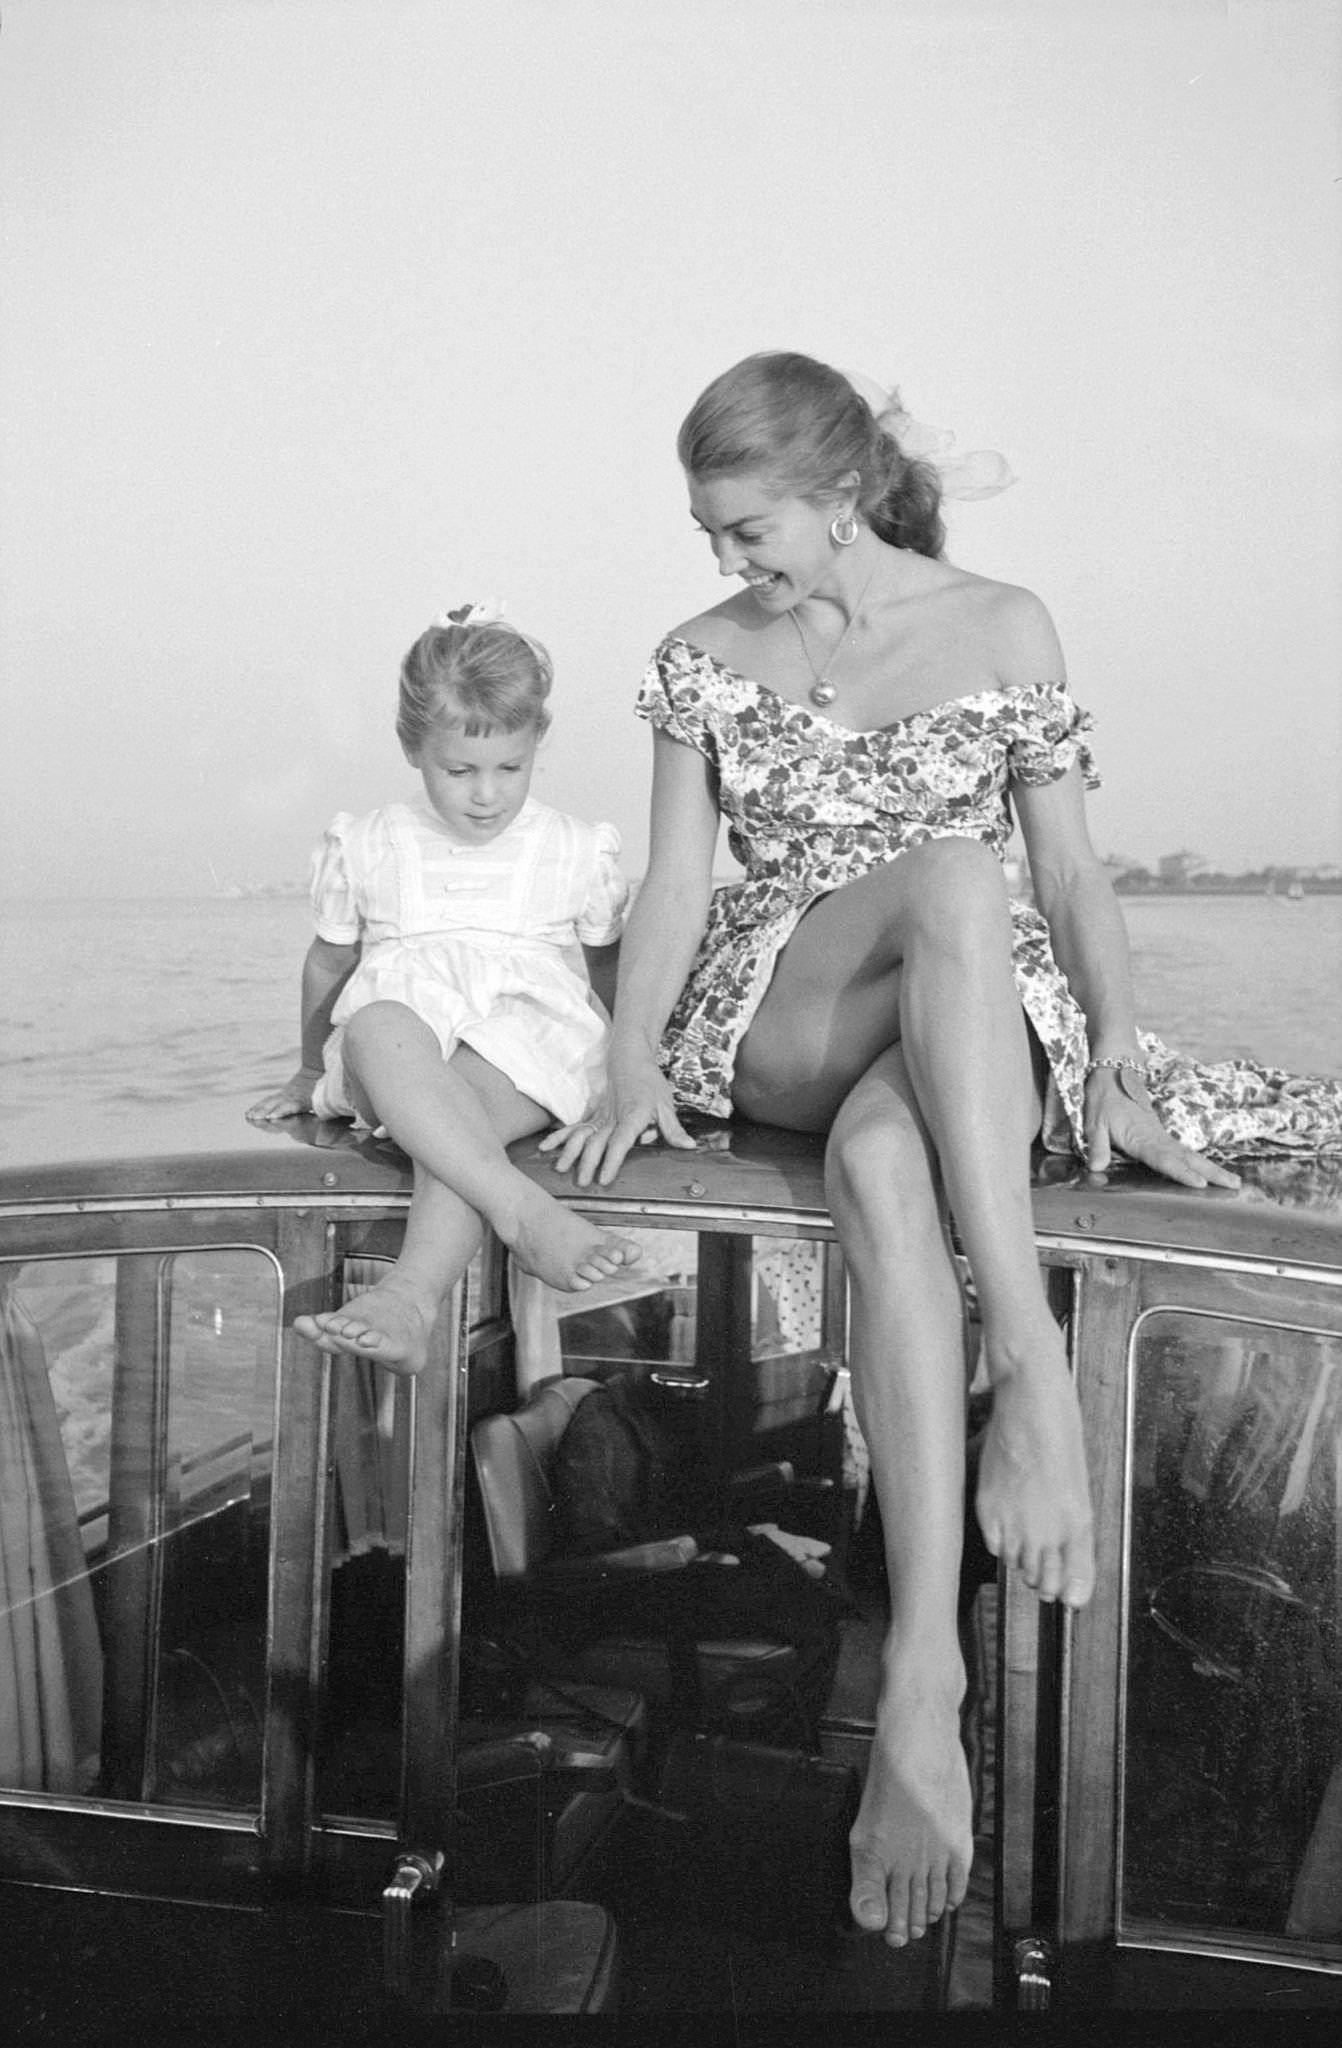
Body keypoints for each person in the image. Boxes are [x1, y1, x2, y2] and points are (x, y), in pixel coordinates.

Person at [537, 348, 1266, 1954]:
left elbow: (1070, 882)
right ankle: (1037, 1374)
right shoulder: (697, 656)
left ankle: (922, 1669)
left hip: (951, 1028)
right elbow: (671, 887)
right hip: (783, 1006)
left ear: (843, 494)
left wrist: (1120, 1057)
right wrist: (629, 1054)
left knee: (890, 1165)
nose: (725, 565)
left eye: (747, 531)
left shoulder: (1004, 627)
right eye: (707, 533)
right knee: (950, 872)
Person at [247, 603, 640, 1372]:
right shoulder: (370, 843)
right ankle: (523, 1213)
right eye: (459, 771)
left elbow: (608, 969)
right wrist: (304, 1069)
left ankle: (409, 1298)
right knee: (377, 1026)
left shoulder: (572, 848)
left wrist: (630, 1078)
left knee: (455, 1126)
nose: (486, 794)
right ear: (412, 748)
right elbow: (330, 964)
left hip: (523, 1045)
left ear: (536, 746)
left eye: (510, 769)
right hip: (401, 1051)